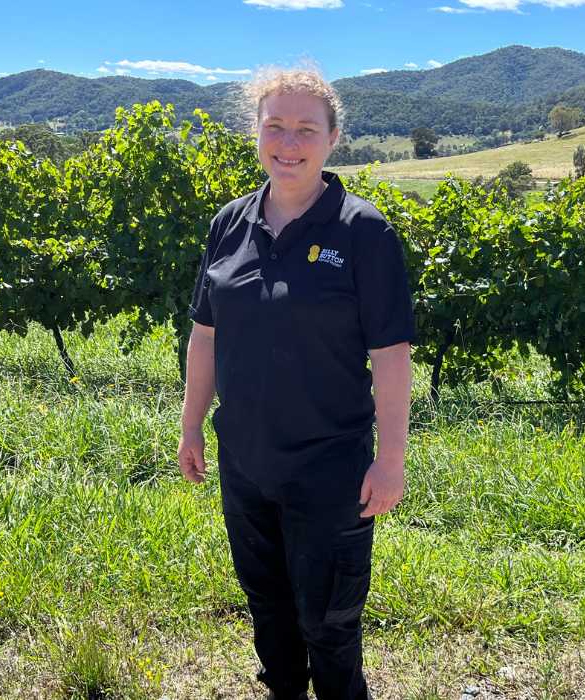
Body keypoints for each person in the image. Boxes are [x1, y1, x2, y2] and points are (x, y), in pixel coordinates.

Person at [176, 65, 417, 700]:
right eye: (275, 126)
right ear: (256, 133)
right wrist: (192, 426)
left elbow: (391, 353)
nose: (289, 142)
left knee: (329, 626)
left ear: (332, 138)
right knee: (270, 615)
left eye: (306, 128)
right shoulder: (230, 223)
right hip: (245, 463)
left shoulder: (363, 232)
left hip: (328, 470)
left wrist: (390, 461)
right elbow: (206, 334)